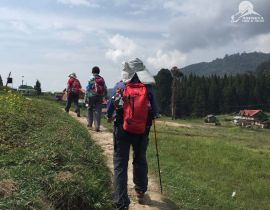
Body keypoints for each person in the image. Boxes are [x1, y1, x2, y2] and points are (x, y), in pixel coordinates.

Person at [106, 58, 157, 210]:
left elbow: (110, 106)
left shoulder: (120, 86)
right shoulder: (148, 89)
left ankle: (121, 202)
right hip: (142, 130)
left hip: (122, 129)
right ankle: (140, 190)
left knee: (120, 164)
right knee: (140, 158)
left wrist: (109, 116)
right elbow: (154, 112)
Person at [85, 66, 107, 132]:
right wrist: (104, 96)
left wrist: (86, 97)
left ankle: (89, 124)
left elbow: (87, 88)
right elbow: (105, 88)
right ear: (98, 72)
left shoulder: (91, 78)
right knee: (98, 111)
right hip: (99, 96)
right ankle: (97, 127)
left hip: (91, 96)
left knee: (90, 108)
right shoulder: (101, 78)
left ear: (92, 72)